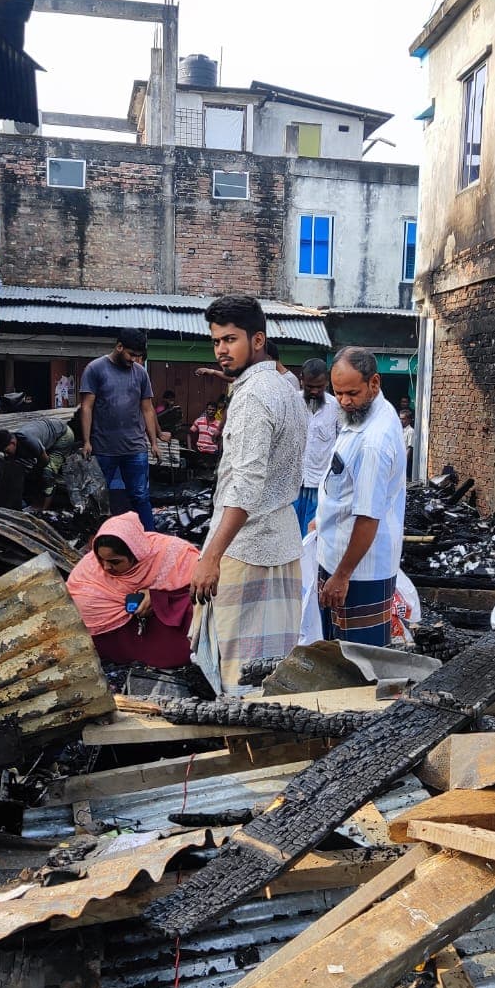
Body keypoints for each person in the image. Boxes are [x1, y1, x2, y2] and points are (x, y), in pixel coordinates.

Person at [190, 294, 308, 695]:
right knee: (275, 669)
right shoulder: (287, 387)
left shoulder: (254, 399)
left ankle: (239, 747)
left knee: (235, 669)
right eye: (217, 341)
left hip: (245, 547)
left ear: (257, 340)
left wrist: (211, 557)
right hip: (284, 543)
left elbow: (244, 486)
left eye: (231, 340)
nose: (222, 350)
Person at [315, 348, 408, 646]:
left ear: (375, 383)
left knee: (357, 663)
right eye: (338, 392)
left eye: (352, 393)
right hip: (338, 554)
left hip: (359, 572)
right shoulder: (363, 413)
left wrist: (342, 576)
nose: (344, 401)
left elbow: (368, 517)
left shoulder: (374, 442)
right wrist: (322, 520)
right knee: (332, 650)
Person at [67, 513, 200, 668]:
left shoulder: (168, 552)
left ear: (136, 553)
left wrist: (156, 595)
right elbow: (77, 608)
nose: (105, 567)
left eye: (114, 562)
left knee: (193, 606)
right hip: (121, 637)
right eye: (100, 559)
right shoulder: (88, 573)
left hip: (165, 627)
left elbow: (202, 582)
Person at [78, 329, 167, 531]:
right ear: (119, 347)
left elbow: (147, 409)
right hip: (103, 449)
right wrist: (86, 441)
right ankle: (96, 538)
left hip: (135, 448)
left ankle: (149, 537)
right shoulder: (95, 369)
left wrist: (153, 442)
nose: (135, 359)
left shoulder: (141, 373)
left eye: (138, 355)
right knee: (98, 497)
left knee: (140, 496)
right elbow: (87, 407)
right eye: (131, 354)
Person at [294, 357, 338, 537]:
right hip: (292, 483)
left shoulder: (336, 407)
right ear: (301, 380)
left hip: (320, 484)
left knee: (313, 535)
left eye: (319, 387)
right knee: (288, 535)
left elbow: (342, 443)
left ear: (327, 382)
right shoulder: (291, 402)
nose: (314, 391)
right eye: (310, 386)